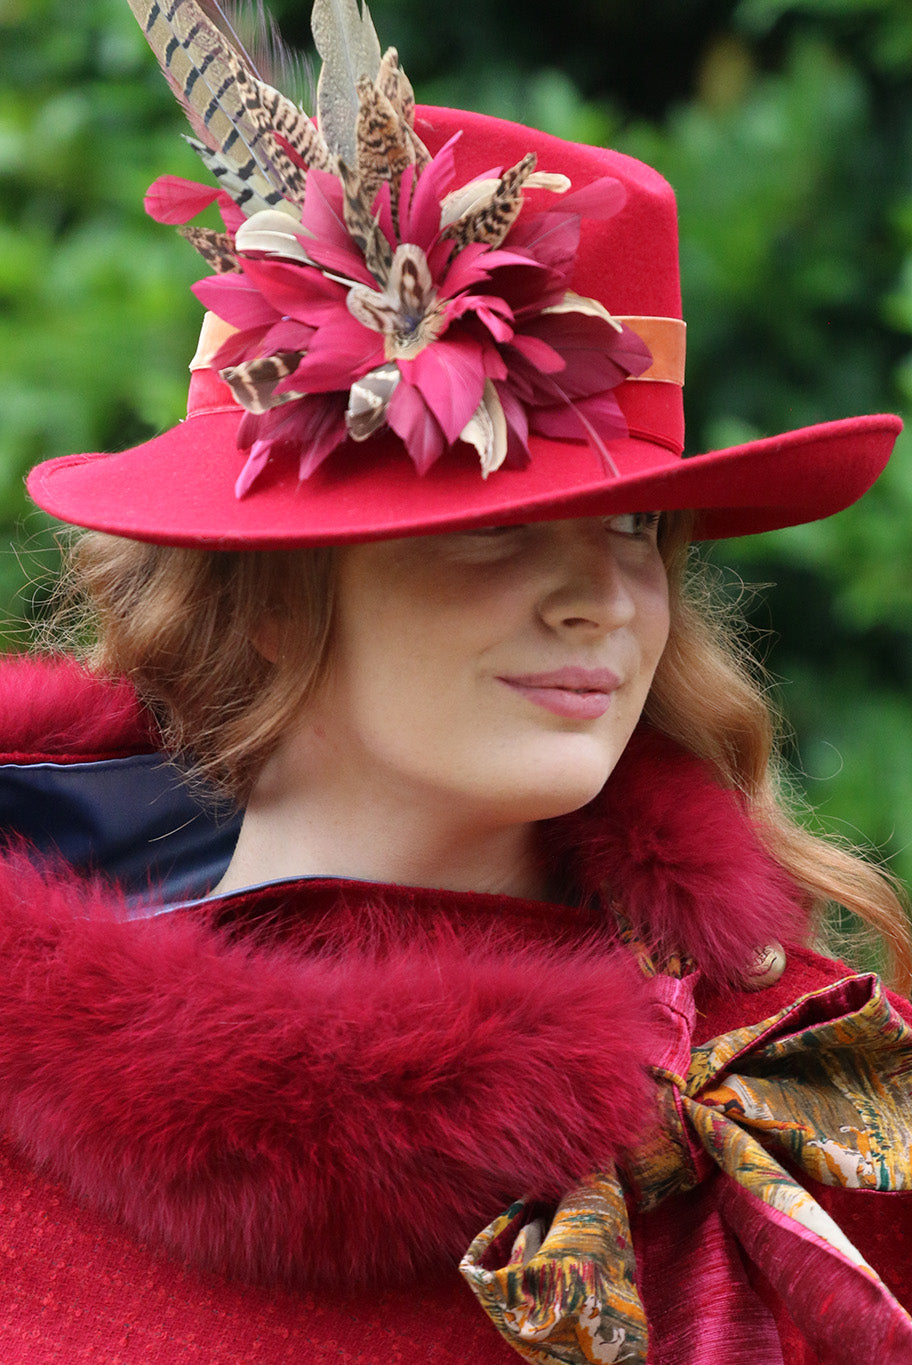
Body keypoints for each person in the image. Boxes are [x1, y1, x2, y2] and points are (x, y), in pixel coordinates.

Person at [1, 2, 911, 1361]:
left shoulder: (803, 1073)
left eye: (634, 529)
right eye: (491, 525)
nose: (600, 595)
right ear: (271, 594)